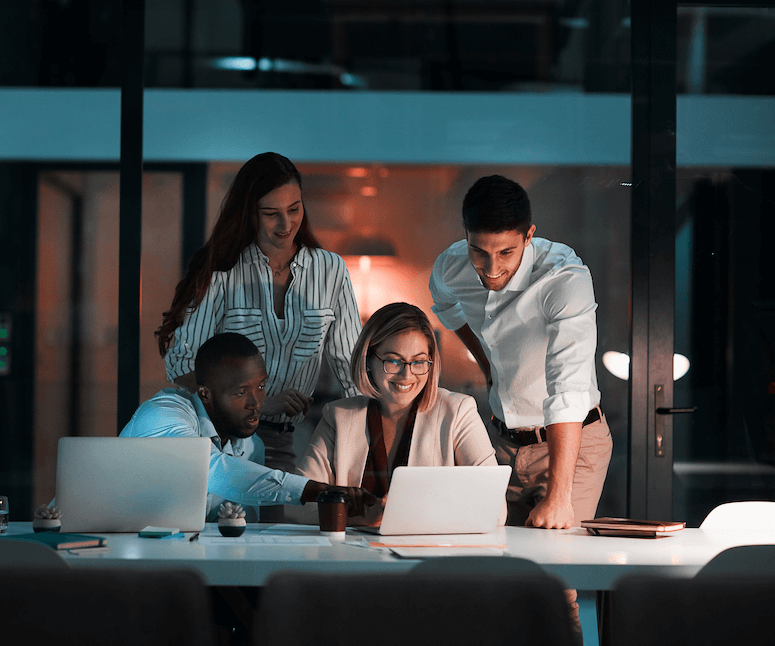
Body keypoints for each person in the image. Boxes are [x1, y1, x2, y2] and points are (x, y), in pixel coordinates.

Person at [429, 174, 612, 636]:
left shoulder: (564, 280)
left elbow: (566, 389)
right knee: (496, 582)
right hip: (502, 442)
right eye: (479, 251)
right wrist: (488, 362)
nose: (491, 268)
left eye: (506, 253)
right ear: (465, 235)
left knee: (556, 588)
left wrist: (560, 496)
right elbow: (446, 308)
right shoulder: (451, 266)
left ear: (529, 236)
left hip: (572, 443)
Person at [155, 152, 362, 476]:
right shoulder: (223, 271)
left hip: (282, 442)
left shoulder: (330, 269)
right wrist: (259, 402)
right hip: (216, 440)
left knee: (274, 523)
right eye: (271, 213)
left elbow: (353, 370)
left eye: (294, 209)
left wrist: (371, 437)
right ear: (249, 214)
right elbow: (181, 364)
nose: (286, 224)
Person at [120, 332, 377, 522]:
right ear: (205, 394)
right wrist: (312, 489)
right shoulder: (164, 413)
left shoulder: (251, 446)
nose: (256, 403)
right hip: (120, 553)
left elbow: (240, 529)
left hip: (191, 563)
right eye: (241, 392)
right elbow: (204, 467)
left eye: (261, 387)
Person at [296, 302, 503, 527]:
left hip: (429, 558)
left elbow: (496, 509)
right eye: (393, 361)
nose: (407, 374)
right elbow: (297, 505)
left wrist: (393, 516)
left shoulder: (458, 412)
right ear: (368, 360)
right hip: (354, 558)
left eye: (418, 361)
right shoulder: (339, 417)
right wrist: (364, 519)